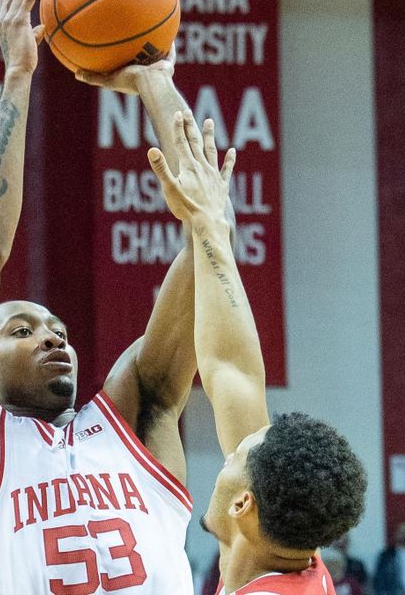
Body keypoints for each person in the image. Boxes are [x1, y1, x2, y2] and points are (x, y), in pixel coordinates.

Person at [0, 0, 212, 593]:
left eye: (58, 331)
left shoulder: (137, 411)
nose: (50, 336)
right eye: (20, 330)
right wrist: (18, 76)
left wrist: (157, 83)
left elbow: (210, 234)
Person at [148, 111, 368, 593]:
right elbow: (231, 368)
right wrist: (208, 226)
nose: (231, 448)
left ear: (243, 505)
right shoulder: (292, 554)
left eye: (233, 457)